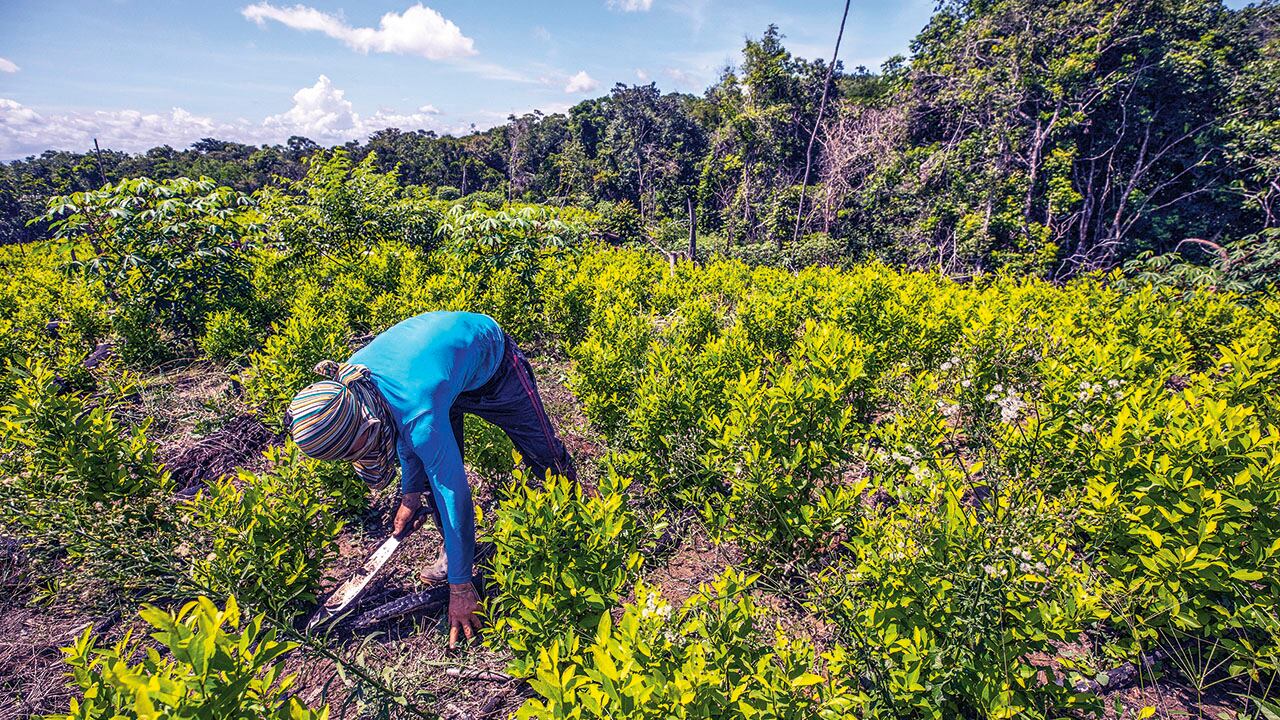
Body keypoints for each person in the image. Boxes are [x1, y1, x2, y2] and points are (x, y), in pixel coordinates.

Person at [285, 311, 575, 647]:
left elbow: (455, 493)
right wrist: (410, 496)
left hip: (493, 363)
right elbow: (401, 426)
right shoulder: (355, 386)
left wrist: (461, 588)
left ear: (364, 425)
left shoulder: (414, 409)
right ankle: (456, 554)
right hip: (438, 380)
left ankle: (580, 523)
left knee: (545, 456)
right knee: (430, 479)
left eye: (353, 450)